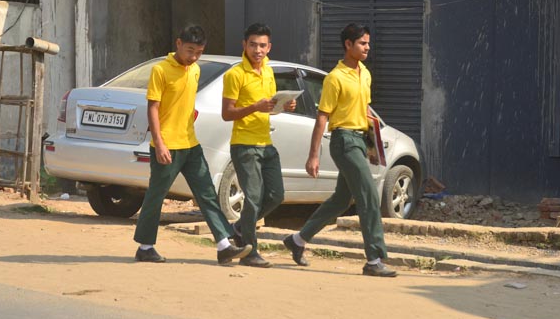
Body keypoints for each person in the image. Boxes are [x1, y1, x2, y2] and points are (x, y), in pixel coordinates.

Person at [283, 23, 396, 277]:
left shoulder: (365, 73)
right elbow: (322, 117)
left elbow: (365, 110)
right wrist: (313, 156)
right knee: (368, 196)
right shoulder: (335, 78)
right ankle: (374, 259)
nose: (367, 47)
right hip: (343, 141)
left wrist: (374, 142)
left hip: (359, 140)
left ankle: (298, 240)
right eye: (362, 43)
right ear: (348, 45)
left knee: (341, 200)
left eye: (368, 43)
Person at [133, 25, 252, 264]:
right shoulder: (160, 70)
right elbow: (152, 108)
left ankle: (223, 245)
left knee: (207, 193)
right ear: (178, 44)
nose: (194, 56)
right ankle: (145, 247)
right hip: (166, 145)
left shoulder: (195, 70)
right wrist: (159, 142)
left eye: (198, 52)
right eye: (190, 50)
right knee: (156, 196)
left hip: (190, 143)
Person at [221, 23, 296, 268]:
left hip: (266, 143)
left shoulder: (269, 71)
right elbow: (227, 113)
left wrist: (283, 106)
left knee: (276, 195)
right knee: (253, 198)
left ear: (269, 47)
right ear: (244, 45)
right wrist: (254, 107)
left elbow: (270, 108)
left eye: (262, 45)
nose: (258, 50)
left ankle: (241, 228)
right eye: (253, 44)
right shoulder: (235, 74)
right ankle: (250, 251)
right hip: (244, 145)